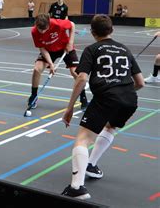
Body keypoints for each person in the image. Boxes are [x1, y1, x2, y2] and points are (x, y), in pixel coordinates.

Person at [61, 15, 144, 199]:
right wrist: (125, 90)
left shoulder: (92, 49)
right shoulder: (125, 49)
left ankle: (76, 188)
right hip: (130, 100)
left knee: (82, 139)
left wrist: (70, 107)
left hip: (106, 97)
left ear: (92, 32)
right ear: (111, 30)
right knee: (110, 127)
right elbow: (140, 83)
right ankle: (91, 165)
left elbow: (81, 78)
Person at [29, 13, 88, 110]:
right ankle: (33, 96)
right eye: (40, 30)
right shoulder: (34, 31)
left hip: (65, 48)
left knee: (75, 72)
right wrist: (51, 64)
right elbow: (42, 48)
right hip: (49, 50)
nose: (43, 32)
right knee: (37, 69)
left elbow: (72, 25)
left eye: (45, 29)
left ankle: (83, 97)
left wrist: (70, 42)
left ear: (49, 24)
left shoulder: (58, 24)